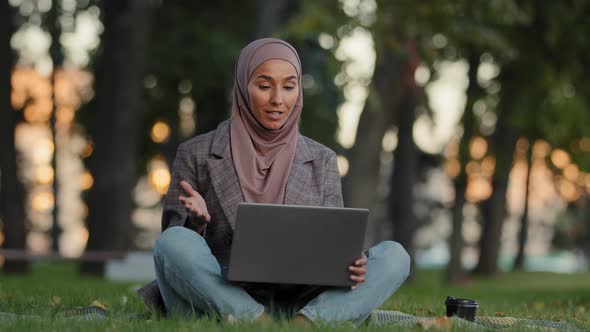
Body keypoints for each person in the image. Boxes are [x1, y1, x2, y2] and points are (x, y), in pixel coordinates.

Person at [137, 38, 410, 326]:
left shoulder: (323, 159)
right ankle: (258, 321)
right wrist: (196, 225)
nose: (278, 99)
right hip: (223, 296)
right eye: (265, 86)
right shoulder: (196, 153)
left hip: (304, 297)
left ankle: (306, 323)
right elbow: (172, 251)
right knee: (173, 242)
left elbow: (334, 246)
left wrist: (352, 266)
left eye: (289, 87)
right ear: (243, 87)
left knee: (395, 256)